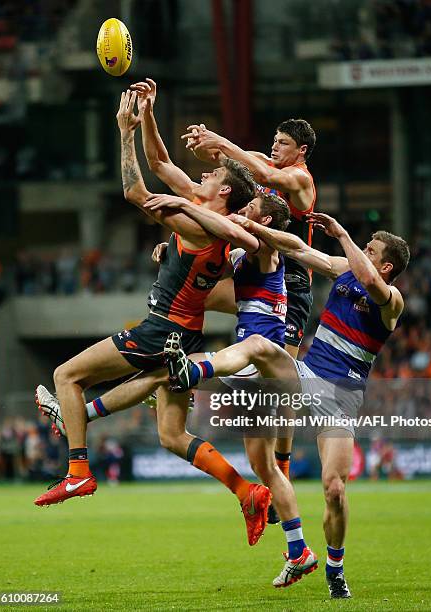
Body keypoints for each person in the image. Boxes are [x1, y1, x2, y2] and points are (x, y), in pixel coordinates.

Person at [34, 91, 274, 547]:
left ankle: (78, 470)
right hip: (186, 332)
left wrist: (123, 133)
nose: (202, 173)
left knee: (67, 374)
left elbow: (134, 191)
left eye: (212, 173)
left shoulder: (200, 224)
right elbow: (161, 162)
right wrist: (147, 117)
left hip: (163, 328)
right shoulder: (204, 213)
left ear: (223, 191)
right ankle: (247, 492)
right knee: (170, 434)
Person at [164, 211, 410, 597]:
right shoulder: (346, 268)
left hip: (342, 398)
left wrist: (344, 231)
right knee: (260, 347)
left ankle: (335, 567)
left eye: (371, 250)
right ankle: (195, 373)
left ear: (387, 265)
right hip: (307, 375)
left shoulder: (391, 300)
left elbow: (368, 280)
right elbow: (299, 248)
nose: (363, 251)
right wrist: (253, 229)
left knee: (334, 489)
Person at [131, 79, 317, 520]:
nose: (275, 147)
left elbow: (265, 175)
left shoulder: (298, 179)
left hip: (286, 281)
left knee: (277, 387)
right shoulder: (253, 174)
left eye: (284, 143)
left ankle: (280, 473)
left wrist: (220, 143)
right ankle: (165, 367)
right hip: (245, 270)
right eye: (274, 139)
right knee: (183, 296)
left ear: (302, 152)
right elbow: (182, 166)